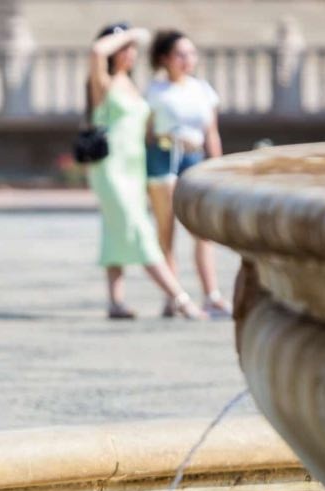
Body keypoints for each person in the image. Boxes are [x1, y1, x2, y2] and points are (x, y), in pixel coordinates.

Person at [86, 23, 204, 320]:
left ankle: (115, 302)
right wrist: (130, 33)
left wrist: (175, 139)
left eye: (133, 49)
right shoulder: (103, 82)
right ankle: (180, 298)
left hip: (135, 167)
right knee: (139, 230)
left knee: (115, 231)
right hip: (110, 168)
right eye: (124, 49)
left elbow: (149, 130)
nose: (130, 53)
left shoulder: (134, 85)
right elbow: (96, 51)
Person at [145, 30, 232, 319]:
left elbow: (211, 132)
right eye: (181, 54)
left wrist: (217, 168)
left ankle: (212, 294)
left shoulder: (201, 89)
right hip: (164, 157)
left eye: (191, 54)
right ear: (165, 58)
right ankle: (174, 296)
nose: (187, 60)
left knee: (201, 231)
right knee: (166, 230)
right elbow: (146, 132)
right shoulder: (154, 91)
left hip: (194, 158)